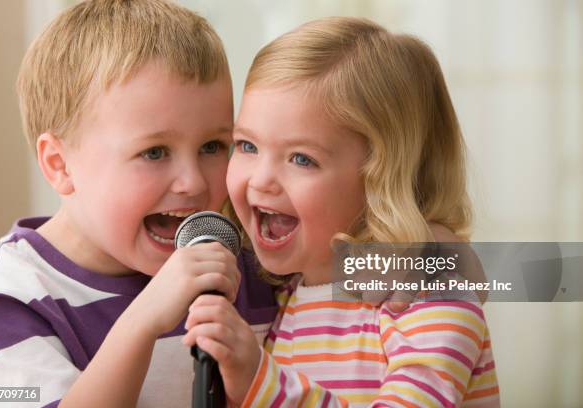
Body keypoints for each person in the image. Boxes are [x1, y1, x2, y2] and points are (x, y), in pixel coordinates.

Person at [0, 1, 278, 406]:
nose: (193, 182)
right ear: (59, 164)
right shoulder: (12, 294)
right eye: (154, 152)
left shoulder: (241, 256)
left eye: (212, 146)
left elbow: (376, 274)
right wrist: (142, 320)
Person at [183, 17, 500, 407]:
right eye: (247, 145)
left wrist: (259, 379)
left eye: (302, 158)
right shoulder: (281, 289)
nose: (261, 179)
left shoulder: (422, 291)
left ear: (381, 178)